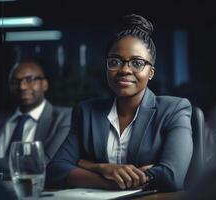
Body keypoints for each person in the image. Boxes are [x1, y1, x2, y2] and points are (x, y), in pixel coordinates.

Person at [46, 14, 193, 192]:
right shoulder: (86, 111)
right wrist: (103, 170)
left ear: (151, 72)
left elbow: (171, 177)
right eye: (115, 61)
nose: (124, 70)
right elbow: (55, 170)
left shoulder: (174, 110)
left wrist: (87, 166)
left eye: (137, 63)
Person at [0, 59, 72, 176]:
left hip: (35, 189)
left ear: (44, 84)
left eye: (29, 80)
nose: (22, 86)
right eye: (15, 81)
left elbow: (44, 164)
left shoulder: (64, 117)